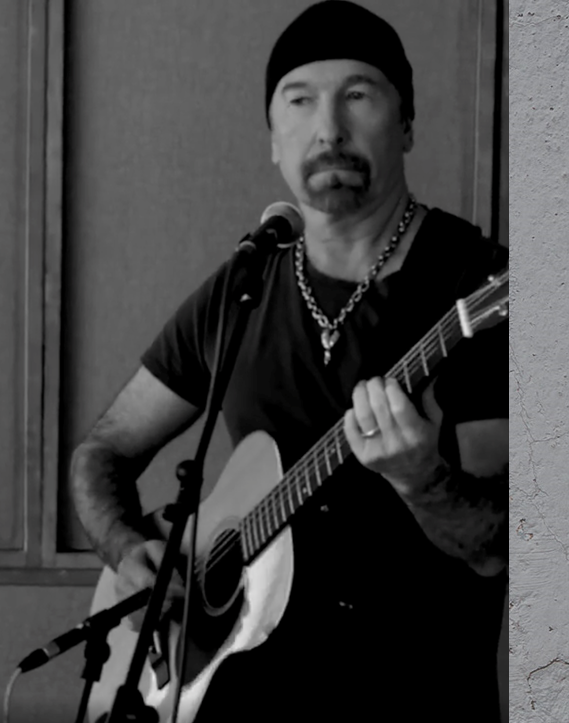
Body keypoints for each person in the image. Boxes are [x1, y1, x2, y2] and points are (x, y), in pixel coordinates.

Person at [69, 2, 506, 721]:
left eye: (358, 95)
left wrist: (420, 478)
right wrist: (125, 548)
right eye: (299, 101)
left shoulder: (473, 288)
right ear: (274, 140)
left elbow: (497, 546)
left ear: (406, 125)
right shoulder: (244, 289)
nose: (328, 128)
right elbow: (100, 453)